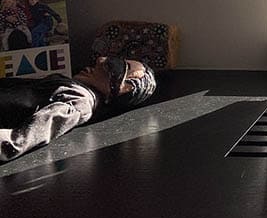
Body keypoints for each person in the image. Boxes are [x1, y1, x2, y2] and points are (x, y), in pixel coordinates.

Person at [0, 56, 157, 161]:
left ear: (122, 90)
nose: (100, 60)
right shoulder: (74, 87)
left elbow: (18, 142)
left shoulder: (80, 101)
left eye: (114, 66)